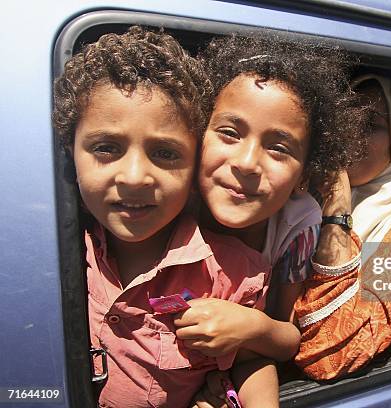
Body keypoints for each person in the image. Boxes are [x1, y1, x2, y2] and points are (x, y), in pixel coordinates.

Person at [53, 27, 278, 408]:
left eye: (165, 154)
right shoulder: (52, 253)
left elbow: (253, 360)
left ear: (195, 168)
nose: (135, 176)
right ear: (70, 154)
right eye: (106, 148)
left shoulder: (233, 272)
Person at [187, 35, 368, 406]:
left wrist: (252, 326)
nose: (247, 162)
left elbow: (286, 337)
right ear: (196, 134)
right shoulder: (168, 206)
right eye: (229, 133)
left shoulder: (297, 226)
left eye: (278, 147)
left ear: (305, 174)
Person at [294, 74, 391, 380]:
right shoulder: (301, 201)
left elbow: (329, 358)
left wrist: (338, 213)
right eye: (347, 116)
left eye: (371, 125)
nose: (350, 130)